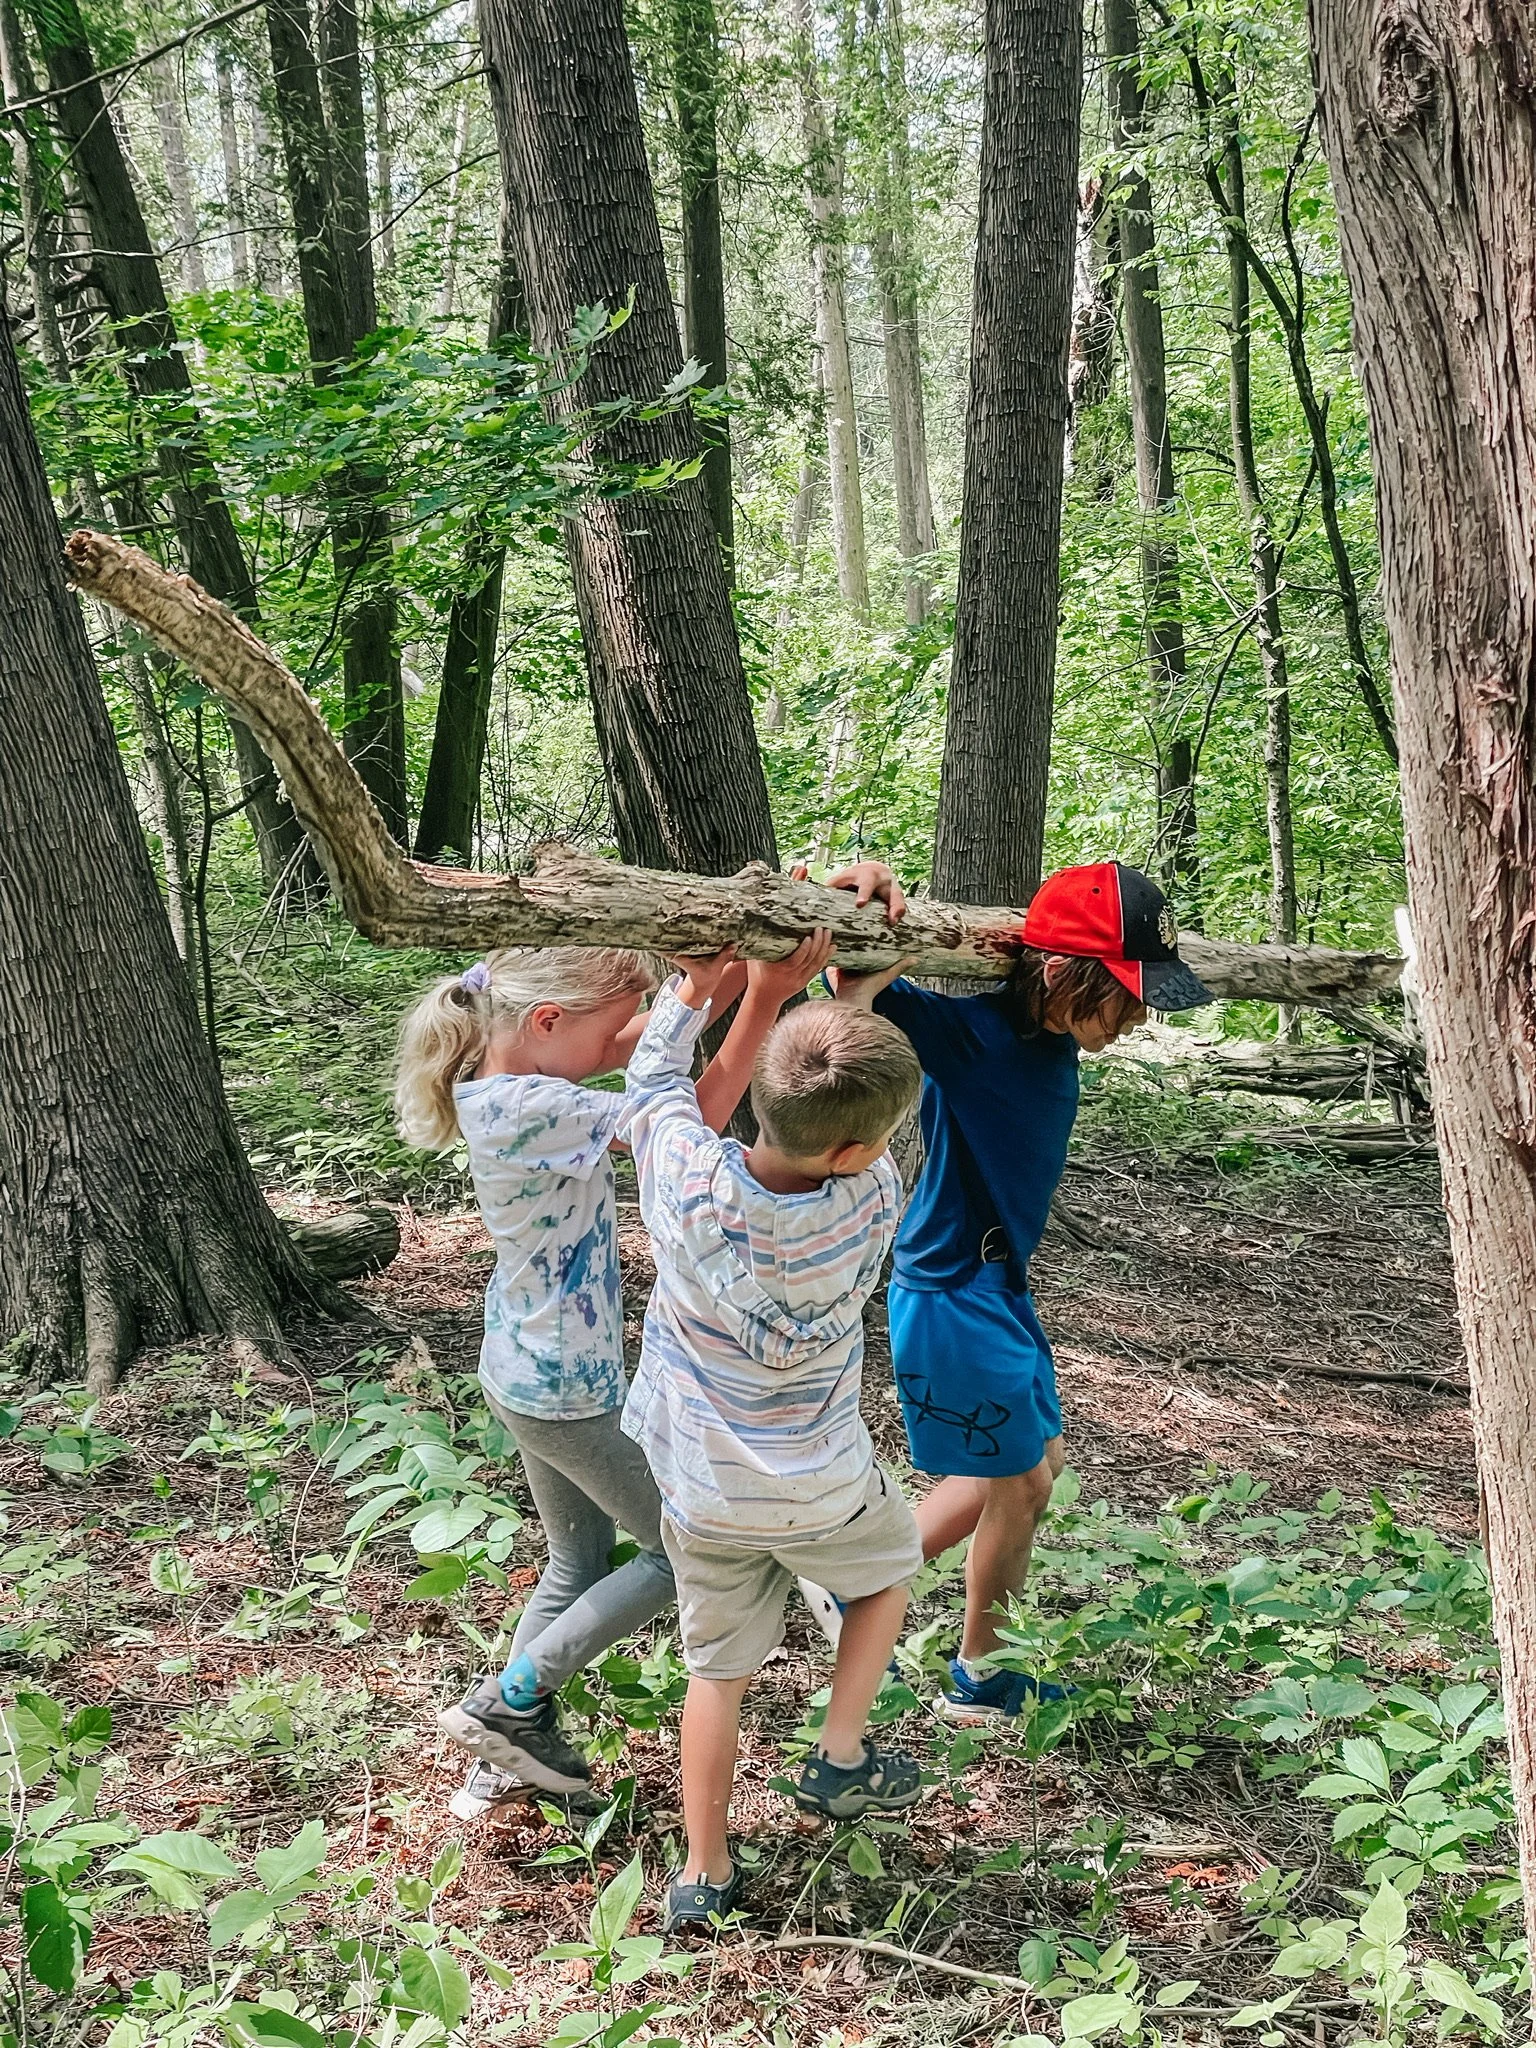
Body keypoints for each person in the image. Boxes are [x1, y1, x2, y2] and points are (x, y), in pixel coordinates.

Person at [395, 935, 831, 1816]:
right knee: (680, 1552)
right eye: (605, 1031)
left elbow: (643, 1044)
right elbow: (694, 1122)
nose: (621, 1040)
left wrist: (729, 978)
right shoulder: (532, 1106)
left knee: (575, 1562)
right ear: (546, 1023)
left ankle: (503, 1750)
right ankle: (508, 1704)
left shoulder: (510, 1077)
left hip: (524, 1370)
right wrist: (760, 1003)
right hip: (563, 1389)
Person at [824, 858, 1213, 1721]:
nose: (1143, 1013)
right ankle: (972, 1668)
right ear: (1069, 972)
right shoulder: (972, 1036)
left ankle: (873, 1597)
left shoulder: (1049, 1037)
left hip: (999, 1287)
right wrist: (865, 894)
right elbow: (856, 984)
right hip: (952, 1285)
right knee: (1022, 1484)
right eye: (1129, 992)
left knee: (1038, 1468)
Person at [620, 973, 926, 1930]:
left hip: (705, 1486)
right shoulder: (877, 1194)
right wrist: (857, 998)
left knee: (716, 1673)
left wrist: (706, 991)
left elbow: (653, 1086)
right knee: (885, 1575)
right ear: (854, 1151)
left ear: (759, 1091)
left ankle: (703, 1876)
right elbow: (848, 1127)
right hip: (826, 1482)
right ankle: (840, 1757)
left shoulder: (684, 1179)